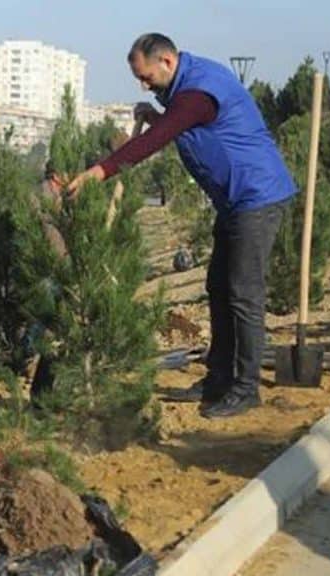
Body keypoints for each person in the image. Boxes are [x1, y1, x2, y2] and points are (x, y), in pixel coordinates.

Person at [65, 33, 297, 419]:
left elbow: (158, 139)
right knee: (219, 288)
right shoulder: (189, 89)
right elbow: (187, 127)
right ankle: (218, 378)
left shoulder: (197, 92)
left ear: (168, 61)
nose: (144, 84)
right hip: (235, 200)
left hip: (256, 196)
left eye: (146, 76)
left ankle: (246, 387)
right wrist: (158, 115)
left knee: (243, 294)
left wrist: (98, 172)